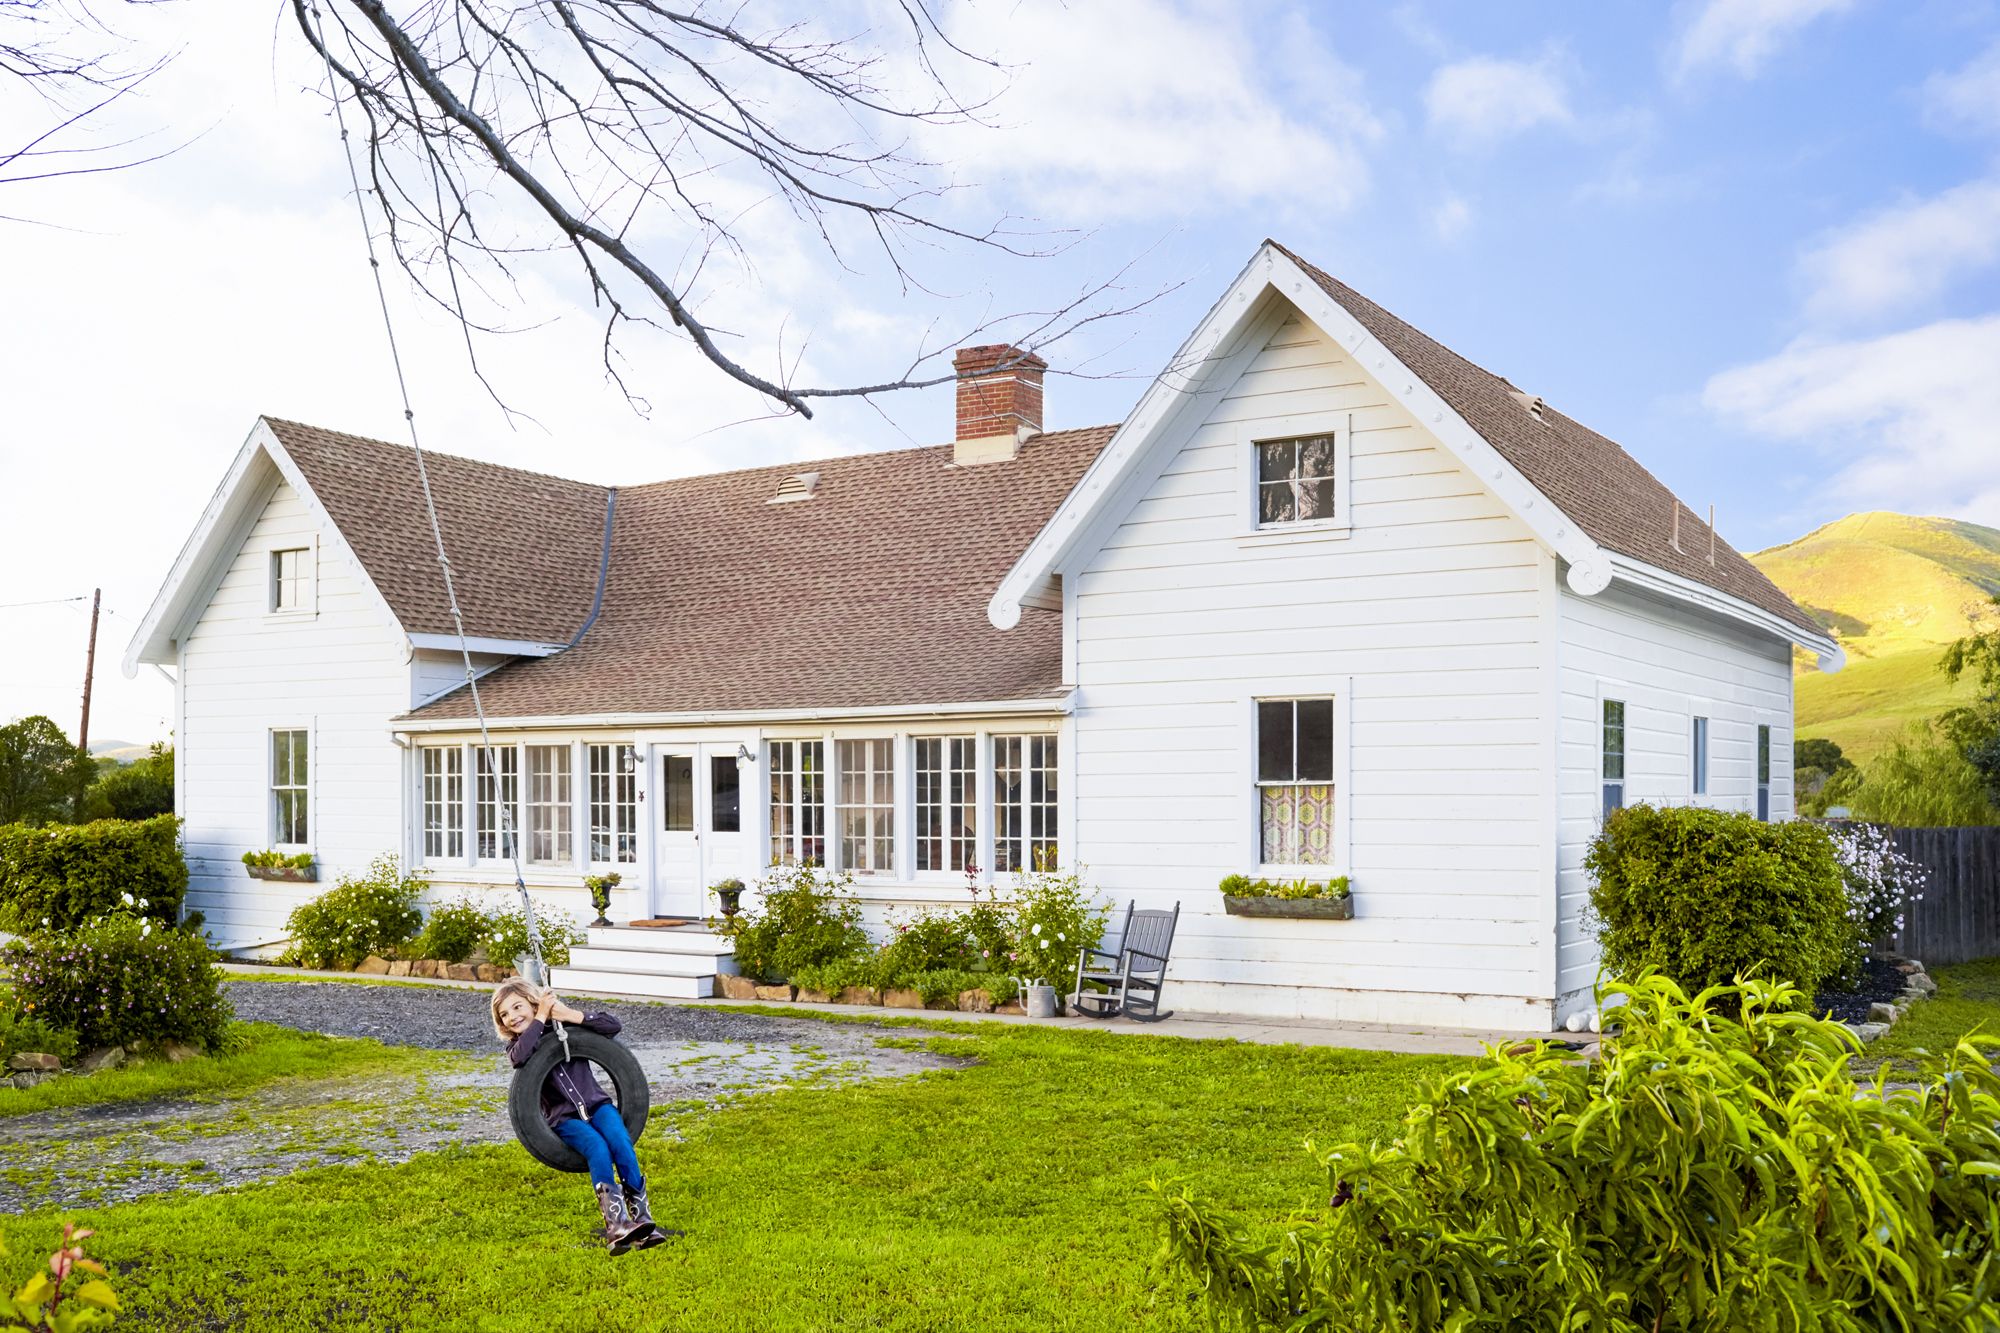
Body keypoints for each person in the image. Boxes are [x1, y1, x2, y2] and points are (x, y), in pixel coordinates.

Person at [491, 977, 672, 1253]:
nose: (512, 1017)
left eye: (517, 1008)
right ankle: (617, 1225)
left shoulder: (564, 1028)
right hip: (565, 1120)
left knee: (620, 1142)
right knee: (597, 1147)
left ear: (532, 1001)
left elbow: (613, 1026)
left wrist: (566, 1014)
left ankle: (643, 1219)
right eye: (504, 1014)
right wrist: (540, 1017)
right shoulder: (517, 1047)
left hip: (597, 1106)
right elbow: (520, 1058)